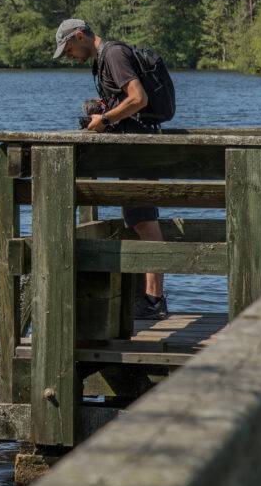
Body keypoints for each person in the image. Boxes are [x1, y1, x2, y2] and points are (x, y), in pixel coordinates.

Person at [52, 18, 173, 321]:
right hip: (134, 149)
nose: (68, 56)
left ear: (80, 36)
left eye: (68, 49)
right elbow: (129, 101)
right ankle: (150, 298)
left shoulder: (113, 55)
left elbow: (138, 98)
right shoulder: (104, 60)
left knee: (144, 221)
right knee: (139, 220)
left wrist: (104, 121)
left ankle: (155, 300)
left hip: (139, 151)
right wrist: (103, 108)